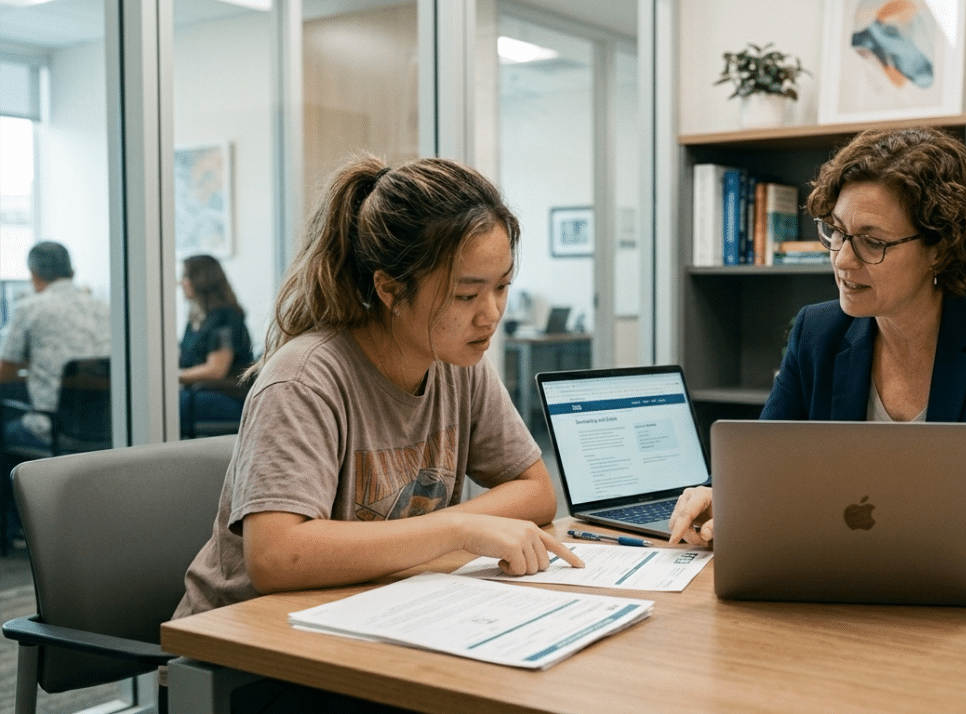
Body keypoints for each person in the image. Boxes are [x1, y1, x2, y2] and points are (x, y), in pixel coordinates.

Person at [169, 156, 583, 712]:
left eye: (502, 287)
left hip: (376, 623)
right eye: (466, 295)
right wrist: (459, 528)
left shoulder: (460, 364)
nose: (491, 315)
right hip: (247, 662)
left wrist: (452, 535)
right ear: (390, 289)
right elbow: (278, 556)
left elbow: (536, 490)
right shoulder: (305, 378)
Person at [668, 127, 966, 565]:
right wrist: (719, 495)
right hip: (835, 588)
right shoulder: (817, 332)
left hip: (962, 597)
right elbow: (760, 471)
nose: (843, 259)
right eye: (837, 232)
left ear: (939, 248)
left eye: (872, 242)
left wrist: (930, 534)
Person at [0, 241, 111, 452]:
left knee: (9, 422)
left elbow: (5, 372)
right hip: (106, 425)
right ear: (72, 272)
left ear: (33, 275)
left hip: (53, 428)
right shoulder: (104, 307)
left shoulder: (29, 308)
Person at [177, 254, 254, 430]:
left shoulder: (226, 317)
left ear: (202, 280)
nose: (182, 282)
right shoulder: (196, 320)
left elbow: (216, 370)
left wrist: (173, 377)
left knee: (164, 407)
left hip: (228, 395)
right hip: (202, 391)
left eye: (185, 276)